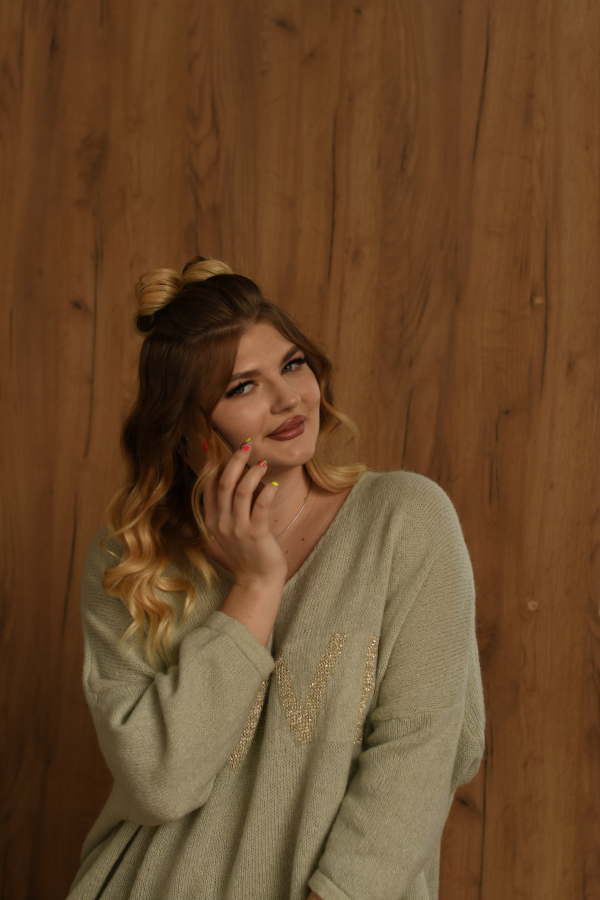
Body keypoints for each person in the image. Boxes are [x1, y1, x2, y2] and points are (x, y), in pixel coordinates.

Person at [66, 256, 485, 900]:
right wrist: (256, 588)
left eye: (292, 365)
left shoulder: (404, 520)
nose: (290, 398)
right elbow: (157, 785)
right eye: (242, 387)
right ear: (185, 431)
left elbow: (424, 751)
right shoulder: (132, 561)